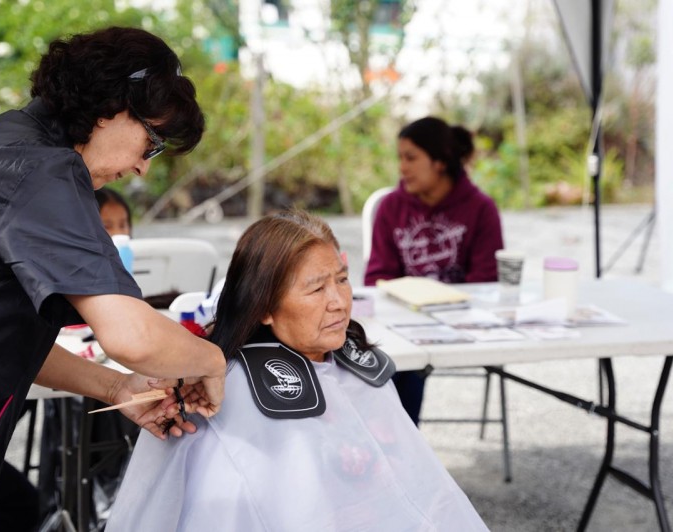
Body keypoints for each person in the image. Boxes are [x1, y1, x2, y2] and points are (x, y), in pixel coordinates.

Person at [0, 27, 226, 530]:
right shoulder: (43, 171)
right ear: (114, 108)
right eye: (151, 143)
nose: (141, 167)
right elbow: (132, 337)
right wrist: (215, 361)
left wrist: (117, 387)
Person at [107, 210, 488, 531]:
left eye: (342, 280)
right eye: (316, 289)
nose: (339, 302)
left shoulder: (355, 366)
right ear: (264, 307)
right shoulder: (225, 388)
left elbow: (417, 489)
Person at [364, 116, 503, 424]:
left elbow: (486, 280)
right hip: (403, 321)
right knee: (395, 362)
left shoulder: (481, 208)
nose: (402, 167)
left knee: (405, 363)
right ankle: (398, 442)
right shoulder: (390, 207)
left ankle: (400, 442)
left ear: (440, 161)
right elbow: (376, 277)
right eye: (400, 158)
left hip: (462, 322)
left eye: (411, 158)